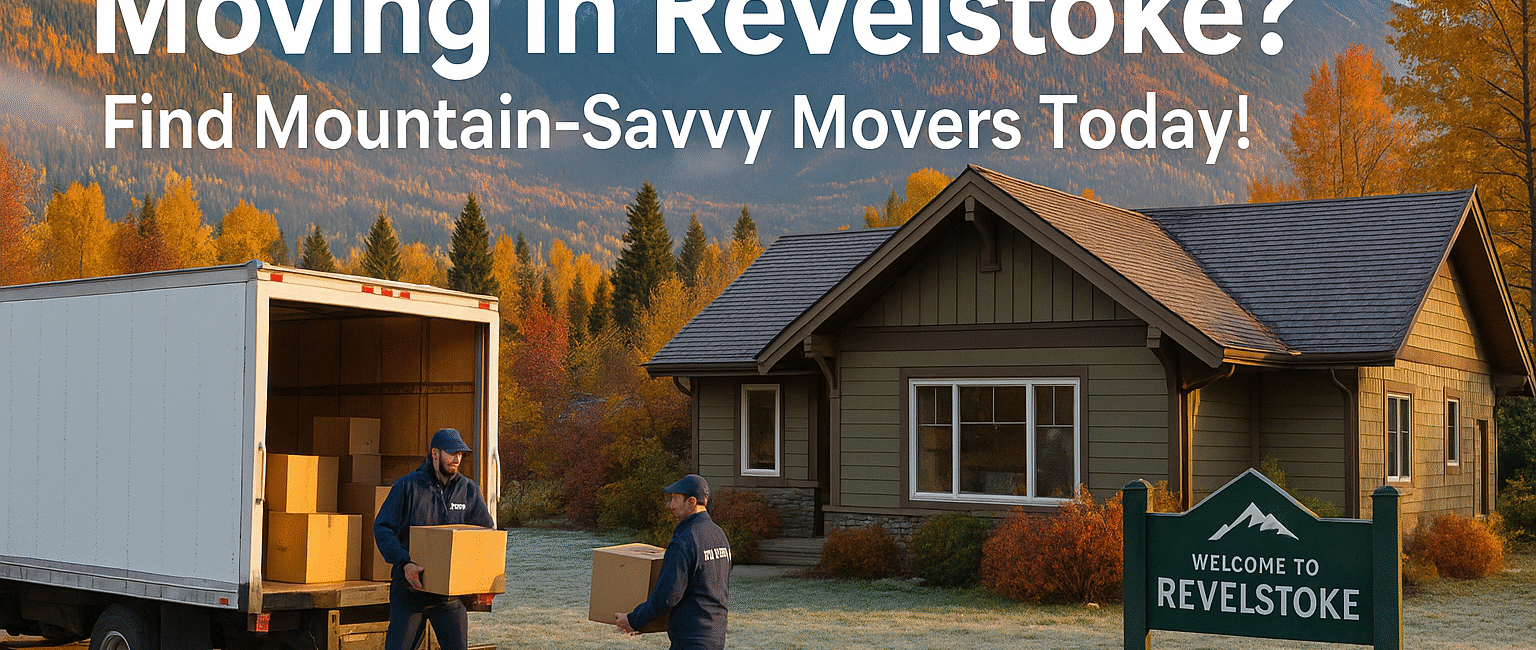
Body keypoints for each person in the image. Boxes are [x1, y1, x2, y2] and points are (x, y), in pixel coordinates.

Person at [374, 427, 495, 650]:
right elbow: (382, 528)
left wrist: (481, 577)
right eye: (451, 453)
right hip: (410, 592)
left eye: (460, 454)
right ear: (435, 454)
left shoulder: (468, 490)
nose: (457, 459)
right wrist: (405, 562)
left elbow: (484, 534)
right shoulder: (407, 486)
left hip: (448, 597)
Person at [614, 474, 731, 650]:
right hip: (716, 637)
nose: (671, 505)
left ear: (692, 502)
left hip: (690, 641)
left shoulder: (685, 540)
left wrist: (634, 620)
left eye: (675, 499)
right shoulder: (719, 535)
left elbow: (668, 596)